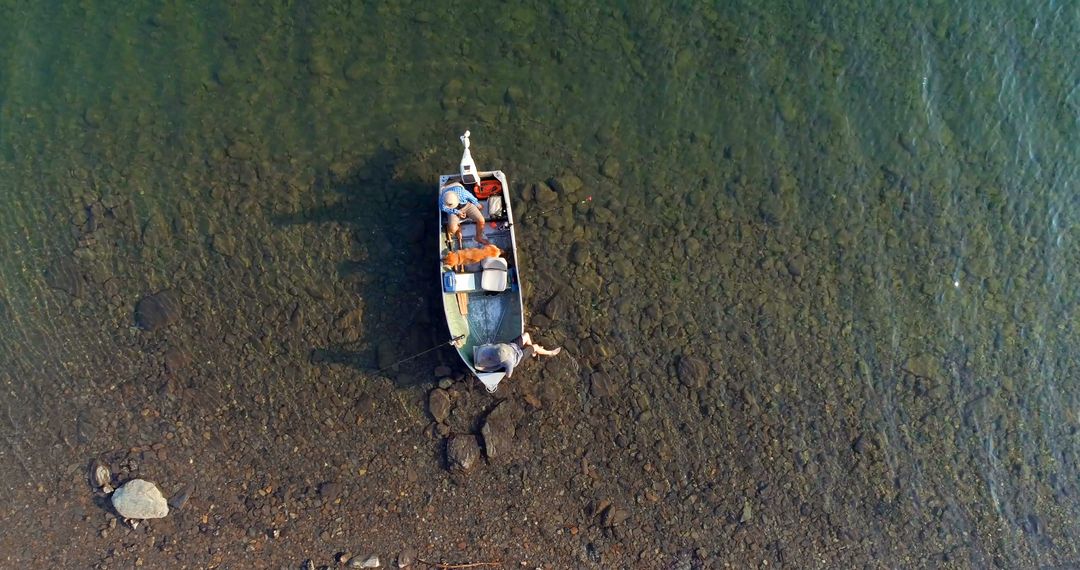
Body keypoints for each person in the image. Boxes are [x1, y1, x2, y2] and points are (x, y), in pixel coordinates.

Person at [474, 332, 561, 379]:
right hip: (518, 356)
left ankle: (533, 351)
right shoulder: (509, 363)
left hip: (512, 346)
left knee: (526, 335)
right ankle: (550, 353)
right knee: (536, 346)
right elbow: (508, 376)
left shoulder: (495, 348)